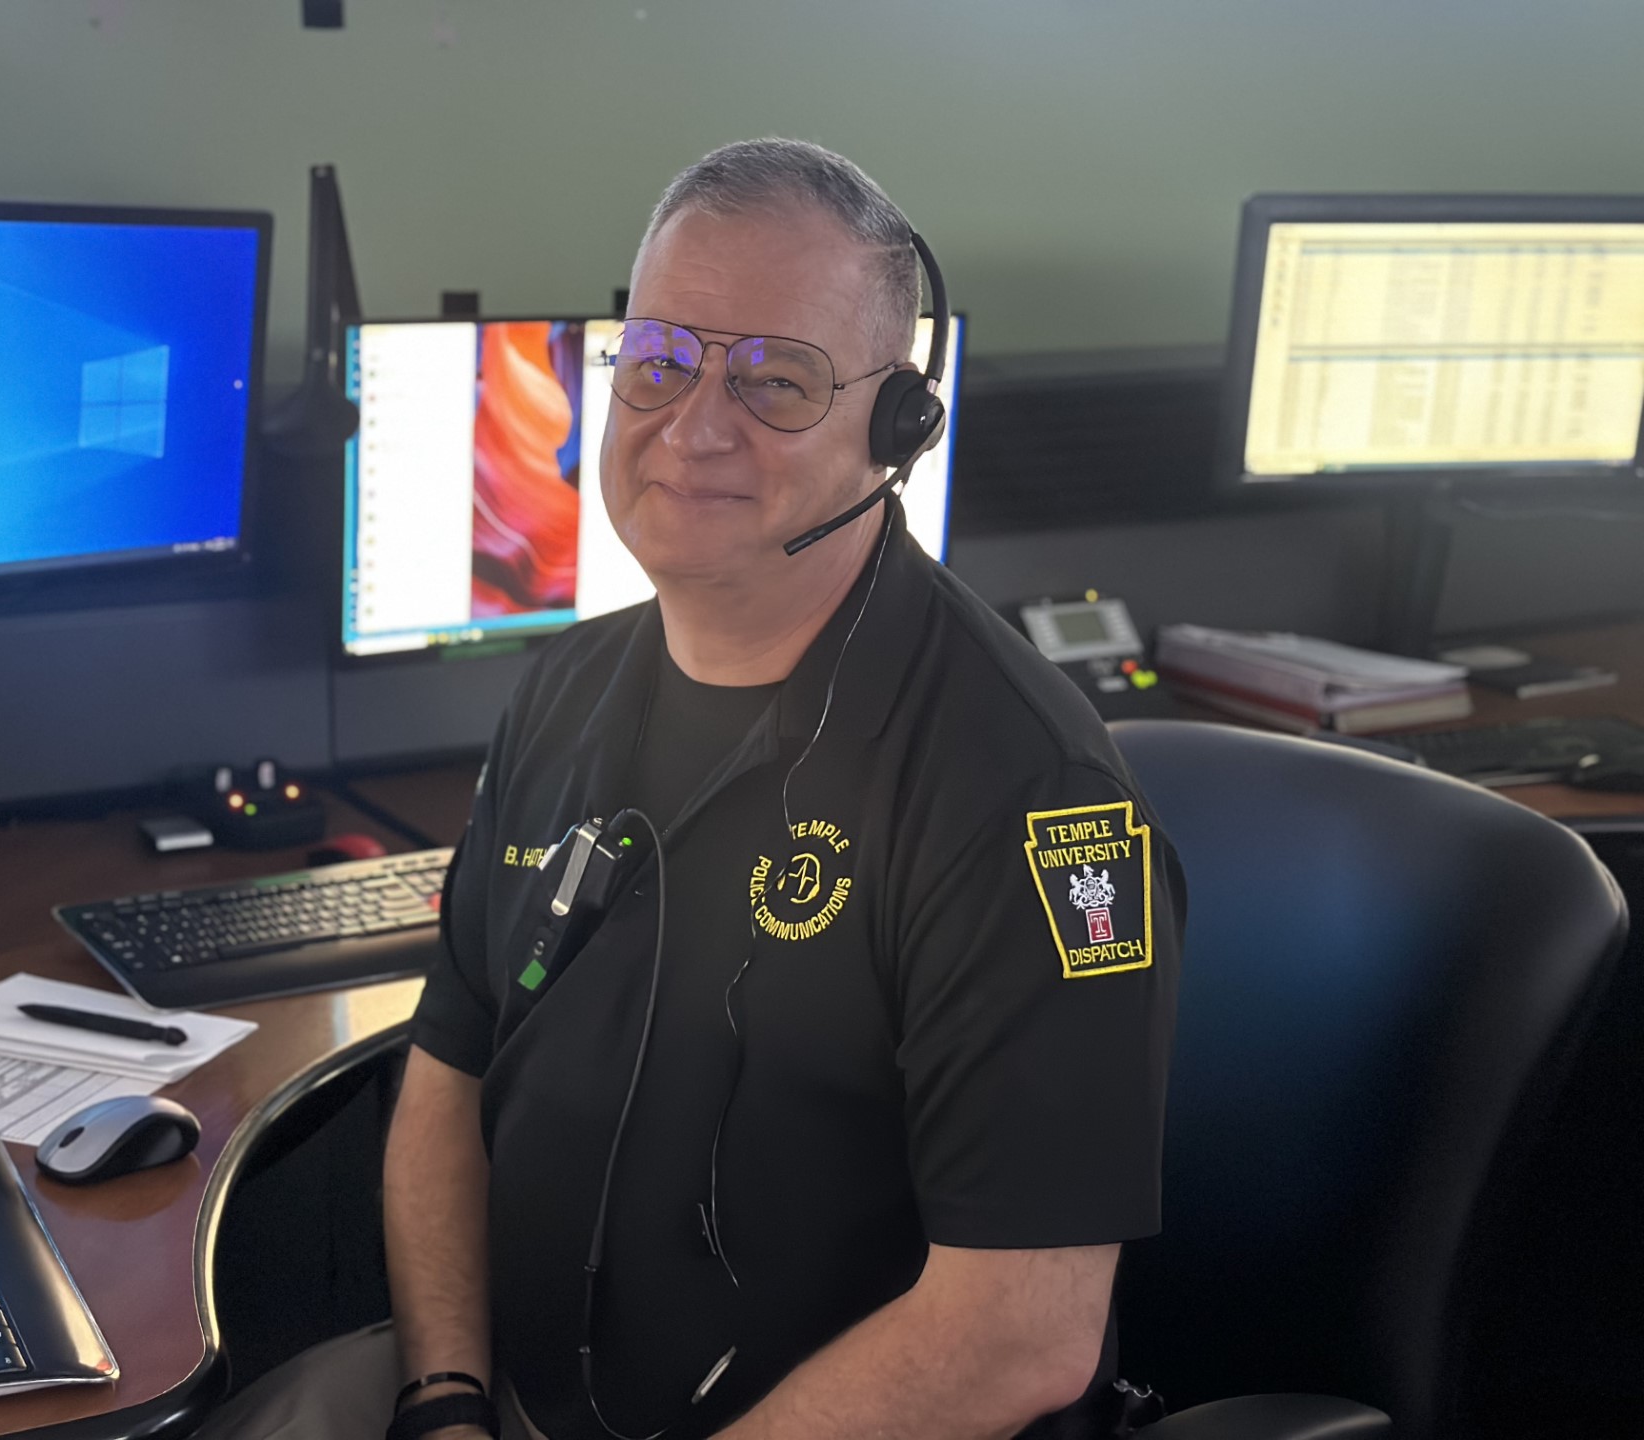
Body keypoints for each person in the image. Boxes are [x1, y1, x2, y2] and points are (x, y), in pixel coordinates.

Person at [198, 137, 1182, 1440]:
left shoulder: (1019, 795)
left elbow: (1021, 1338)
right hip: (519, 1401)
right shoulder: (567, 690)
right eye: (658, 362)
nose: (693, 427)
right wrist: (444, 1399)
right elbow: (449, 1070)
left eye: (775, 380)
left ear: (898, 428)